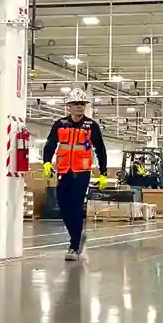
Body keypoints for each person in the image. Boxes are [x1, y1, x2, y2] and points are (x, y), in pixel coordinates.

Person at [43, 88, 108, 261]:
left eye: (82, 104)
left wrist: (103, 172)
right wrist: (47, 162)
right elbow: (50, 145)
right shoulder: (60, 124)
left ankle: (74, 244)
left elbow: (100, 149)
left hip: (82, 172)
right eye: (75, 104)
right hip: (64, 170)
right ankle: (77, 237)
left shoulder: (91, 126)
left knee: (76, 206)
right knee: (63, 205)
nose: (79, 107)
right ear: (68, 106)